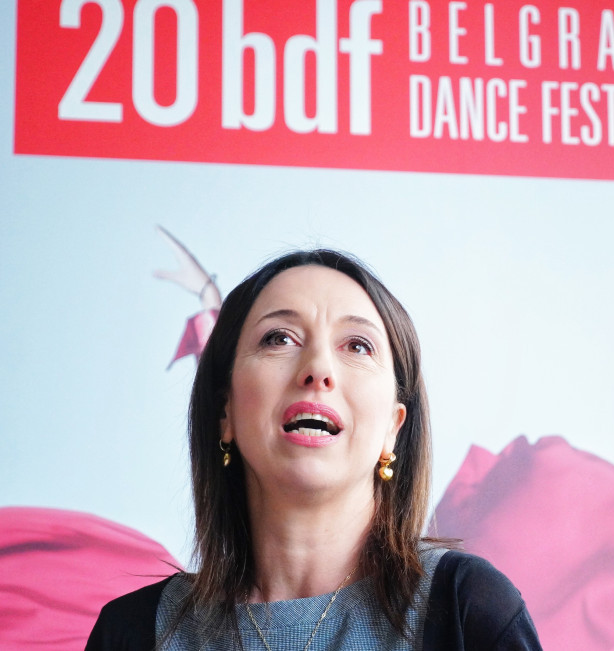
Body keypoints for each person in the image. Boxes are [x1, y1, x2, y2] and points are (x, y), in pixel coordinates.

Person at [85, 249, 542, 650]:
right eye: (279, 338)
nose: (318, 368)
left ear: (393, 427)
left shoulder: (468, 610)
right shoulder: (133, 632)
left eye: (357, 345)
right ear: (225, 412)